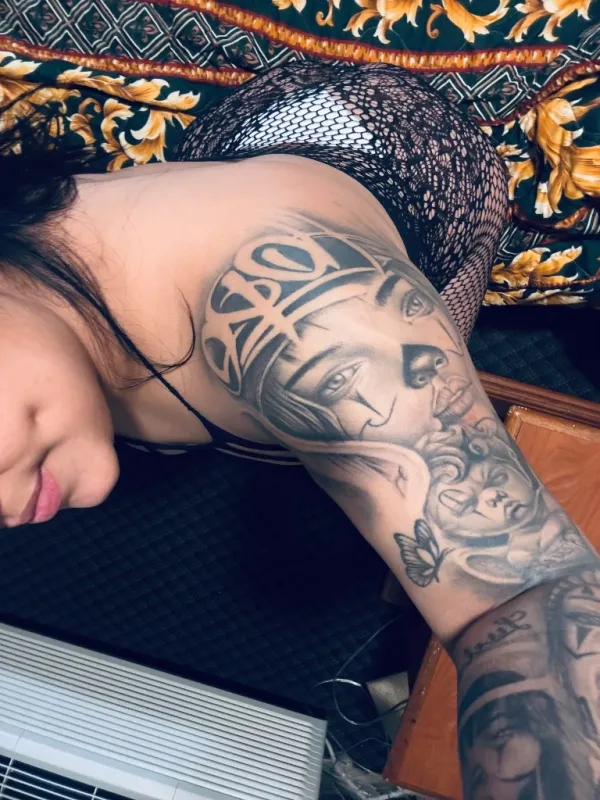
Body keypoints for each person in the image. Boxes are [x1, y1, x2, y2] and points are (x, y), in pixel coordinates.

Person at [1, 61, 599, 796]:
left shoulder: (322, 319)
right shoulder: (42, 326)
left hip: (409, 160)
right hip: (247, 139)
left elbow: (526, 598)